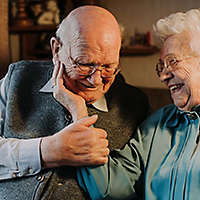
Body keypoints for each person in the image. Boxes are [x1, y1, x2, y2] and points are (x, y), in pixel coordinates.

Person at [0, 5, 149, 199]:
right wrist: (46, 150)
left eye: (108, 67)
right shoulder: (18, 80)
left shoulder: (135, 105)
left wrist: (78, 109)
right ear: (56, 49)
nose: (95, 80)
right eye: (85, 64)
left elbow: (128, 189)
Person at [77, 8, 200, 200]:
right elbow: (109, 189)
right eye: (161, 67)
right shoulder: (157, 124)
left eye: (172, 62)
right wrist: (78, 110)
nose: (163, 76)